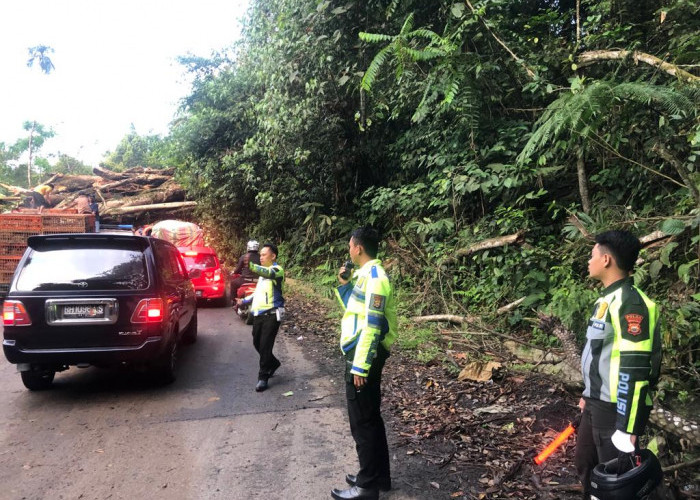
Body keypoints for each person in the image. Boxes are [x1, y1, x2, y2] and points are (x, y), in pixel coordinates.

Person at [575, 230, 661, 499]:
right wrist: (587, 394)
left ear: (607, 260)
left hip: (616, 408)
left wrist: (629, 427)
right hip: (596, 402)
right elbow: (601, 355)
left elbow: (635, 367)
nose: (588, 262)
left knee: (616, 482)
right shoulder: (607, 299)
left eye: (592, 256)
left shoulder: (630, 302)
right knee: (586, 466)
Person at [331, 226, 397, 500]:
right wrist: (344, 284)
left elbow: (373, 325)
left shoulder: (376, 279)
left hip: (363, 353)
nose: (349, 250)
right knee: (370, 417)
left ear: (358, 247)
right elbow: (355, 310)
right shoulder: (364, 276)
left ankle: (367, 486)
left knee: (362, 423)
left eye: (350, 246)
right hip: (361, 350)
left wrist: (360, 365)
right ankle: (378, 476)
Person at [242, 243, 284, 392]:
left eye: (264, 255)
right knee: (257, 343)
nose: (261, 257)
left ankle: (263, 377)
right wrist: (245, 300)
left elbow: (270, 274)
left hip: (272, 314)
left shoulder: (277, 270)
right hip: (259, 314)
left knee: (265, 345)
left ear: (273, 256)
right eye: (260, 255)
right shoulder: (262, 276)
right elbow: (258, 293)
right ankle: (273, 363)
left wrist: (252, 267)